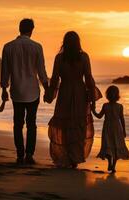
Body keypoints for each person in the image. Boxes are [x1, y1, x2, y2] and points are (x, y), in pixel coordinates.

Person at [44, 31, 102, 168]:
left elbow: (55, 79)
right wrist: (92, 98)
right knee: (78, 125)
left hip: (64, 93)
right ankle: (75, 157)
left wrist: (49, 94)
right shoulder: (83, 57)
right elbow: (88, 78)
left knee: (64, 125)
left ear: (64, 42)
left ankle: (65, 156)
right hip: (80, 93)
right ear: (78, 42)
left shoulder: (59, 58)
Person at [0, 18, 49, 165]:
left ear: (19, 28)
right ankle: (29, 155)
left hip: (17, 91)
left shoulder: (8, 47)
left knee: (17, 123)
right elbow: (41, 71)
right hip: (33, 91)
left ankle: (20, 155)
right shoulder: (37, 47)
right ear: (31, 30)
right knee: (31, 123)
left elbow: (5, 71)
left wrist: (4, 89)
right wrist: (47, 90)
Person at [91, 85, 129, 173]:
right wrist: (124, 130)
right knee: (115, 146)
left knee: (109, 145)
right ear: (118, 95)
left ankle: (111, 164)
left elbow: (99, 116)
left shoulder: (106, 106)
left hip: (108, 128)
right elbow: (122, 119)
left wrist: (93, 110)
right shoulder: (119, 106)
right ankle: (112, 165)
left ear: (107, 95)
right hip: (116, 129)